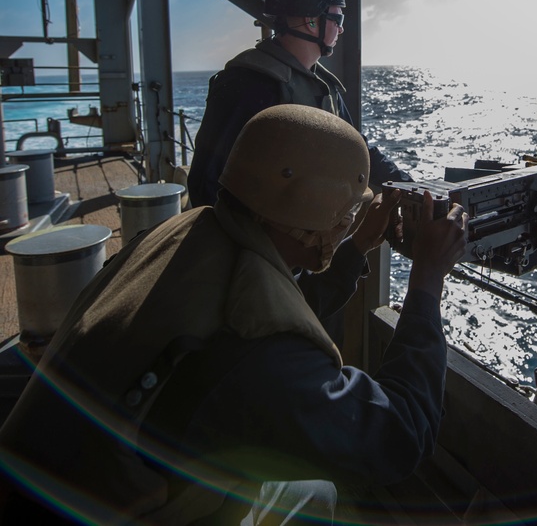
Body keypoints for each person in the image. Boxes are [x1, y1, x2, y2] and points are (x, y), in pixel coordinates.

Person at [0, 104, 468, 525]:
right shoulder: (256, 345)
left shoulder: (186, 232)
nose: (347, 223)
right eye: (346, 215)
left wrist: (357, 247)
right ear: (320, 212)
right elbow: (399, 436)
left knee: (310, 490)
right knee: (319, 492)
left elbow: (273, 309)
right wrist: (427, 280)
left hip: (47, 483)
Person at [187, 0, 411, 209]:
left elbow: (357, 149)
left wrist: (409, 186)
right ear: (310, 21)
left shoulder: (324, 85)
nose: (341, 28)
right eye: (337, 19)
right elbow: (206, 181)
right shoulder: (247, 84)